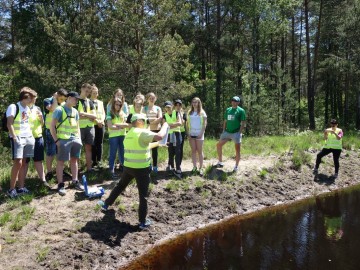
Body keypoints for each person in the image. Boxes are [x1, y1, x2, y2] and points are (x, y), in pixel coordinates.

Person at [98, 114, 169, 230]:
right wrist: (165, 125)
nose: (146, 123)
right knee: (143, 196)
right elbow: (160, 136)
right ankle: (142, 222)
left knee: (120, 186)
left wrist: (158, 144)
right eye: (145, 120)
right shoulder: (142, 132)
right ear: (139, 121)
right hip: (142, 169)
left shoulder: (129, 133)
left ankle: (106, 204)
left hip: (129, 168)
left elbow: (143, 145)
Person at [50, 91, 84, 195]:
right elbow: (52, 126)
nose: (76, 101)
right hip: (63, 140)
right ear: (68, 98)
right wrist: (56, 140)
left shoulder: (75, 111)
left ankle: (75, 181)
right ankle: (60, 184)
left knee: (74, 161)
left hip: (75, 140)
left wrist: (79, 139)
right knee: (61, 162)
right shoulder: (59, 110)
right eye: (75, 99)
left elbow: (77, 126)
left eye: (77, 100)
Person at [6, 87, 37, 198]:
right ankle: (11, 189)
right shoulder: (13, 107)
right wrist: (14, 137)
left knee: (24, 163)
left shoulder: (28, 109)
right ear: (24, 98)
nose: (31, 100)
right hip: (18, 138)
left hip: (28, 137)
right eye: (30, 98)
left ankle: (21, 187)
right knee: (18, 162)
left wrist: (31, 137)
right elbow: (9, 124)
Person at [24, 94, 50, 187]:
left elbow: (42, 124)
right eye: (33, 99)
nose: (35, 100)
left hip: (38, 137)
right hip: (26, 138)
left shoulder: (37, 108)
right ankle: (21, 184)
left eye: (35, 99)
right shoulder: (23, 108)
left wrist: (41, 118)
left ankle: (43, 181)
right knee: (25, 161)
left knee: (38, 160)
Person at [216, 96, 246, 172]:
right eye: (233, 100)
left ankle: (236, 166)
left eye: (236, 101)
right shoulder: (228, 110)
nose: (234, 102)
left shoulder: (241, 111)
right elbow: (225, 121)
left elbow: (243, 122)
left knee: (237, 150)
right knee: (219, 145)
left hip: (236, 133)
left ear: (238, 102)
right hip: (227, 132)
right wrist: (223, 130)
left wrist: (239, 132)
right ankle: (220, 162)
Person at [43, 88, 68, 181]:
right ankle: (49, 172)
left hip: (61, 130)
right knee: (51, 152)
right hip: (50, 130)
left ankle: (60, 170)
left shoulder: (63, 103)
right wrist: (54, 99)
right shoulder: (47, 100)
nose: (62, 101)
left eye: (64, 100)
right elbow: (53, 109)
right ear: (57, 95)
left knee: (60, 152)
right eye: (61, 99)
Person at [75, 83, 97, 172]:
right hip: (79, 128)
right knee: (77, 149)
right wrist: (89, 116)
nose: (87, 93)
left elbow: (94, 116)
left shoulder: (90, 101)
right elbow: (76, 115)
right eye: (86, 91)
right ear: (82, 89)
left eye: (88, 92)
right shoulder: (76, 100)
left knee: (89, 148)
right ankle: (76, 170)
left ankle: (89, 168)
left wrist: (84, 114)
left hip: (90, 128)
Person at [107, 98, 129, 178]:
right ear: (113, 104)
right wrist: (120, 126)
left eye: (120, 105)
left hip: (123, 135)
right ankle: (111, 171)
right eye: (116, 104)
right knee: (113, 153)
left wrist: (116, 125)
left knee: (123, 153)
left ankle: (124, 170)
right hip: (113, 136)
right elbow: (110, 126)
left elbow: (126, 125)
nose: (118, 106)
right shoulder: (109, 113)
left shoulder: (123, 113)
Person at [187, 97, 207, 176]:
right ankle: (194, 167)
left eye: (196, 102)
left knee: (199, 151)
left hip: (199, 134)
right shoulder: (189, 112)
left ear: (199, 103)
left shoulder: (202, 112)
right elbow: (187, 124)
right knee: (193, 151)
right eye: (193, 102)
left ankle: (201, 167)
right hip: (192, 133)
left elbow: (205, 124)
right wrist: (188, 133)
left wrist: (201, 133)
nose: (194, 104)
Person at [144, 92, 163, 173]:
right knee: (147, 149)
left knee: (155, 149)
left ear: (155, 99)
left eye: (153, 98)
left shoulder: (158, 108)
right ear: (147, 99)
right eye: (150, 98)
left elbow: (160, 118)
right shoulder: (144, 108)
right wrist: (153, 121)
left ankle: (155, 166)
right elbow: (144, 119)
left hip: (156, 130)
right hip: (147, 131)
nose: (151, 99)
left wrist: (151, 122)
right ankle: (148, 165)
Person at [163, 101, 183, 178]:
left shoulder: (177, 112)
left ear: (172, 106)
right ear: (165, 108)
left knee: (177, 152)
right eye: (166, 107)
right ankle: (171, 168)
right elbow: (164, 126)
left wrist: (169, 125)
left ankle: (178, 169)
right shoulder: (164, 116)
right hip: (169, 135)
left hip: (177, 134)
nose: (168, 108)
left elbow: (180, 123)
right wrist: (175, 124)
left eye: (169, 106)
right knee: (170, 152)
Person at [90, 84, 106, 168]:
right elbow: (89, 114)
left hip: (101, 124)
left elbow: (103, 113)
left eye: (96, 93)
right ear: (90, 93)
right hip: (93, 124)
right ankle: (93, 161)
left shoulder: (100, 102)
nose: (95, 94)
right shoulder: (88, 102)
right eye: (93, 93)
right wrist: (97, 121)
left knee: (100, 143)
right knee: (93, 143)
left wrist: (101, 121)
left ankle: (99, 161)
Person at [174, 99, 187, 170]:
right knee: (174, 149)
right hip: (175, 132)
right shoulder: (173, 113)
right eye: (176, 105)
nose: (178, 106)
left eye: (179, 105)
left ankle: (179, 165)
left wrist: (180, 114)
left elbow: (183, 123)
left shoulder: (183, 114)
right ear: (175, 106)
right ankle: (172, 165)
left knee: (180, 149)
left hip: (181, 132)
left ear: (181, 106)